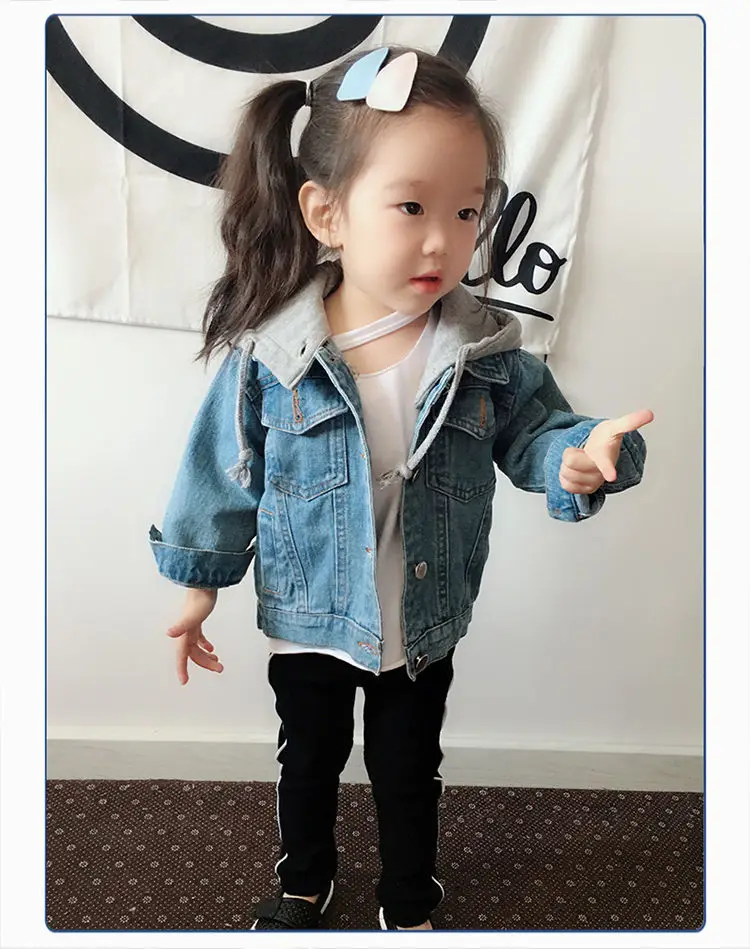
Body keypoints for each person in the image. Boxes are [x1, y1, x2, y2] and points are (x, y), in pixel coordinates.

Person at [149, 46, 653, 932]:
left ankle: (409, 896)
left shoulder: (485, 350)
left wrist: (577, 458)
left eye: (467, 211)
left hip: (420, 621)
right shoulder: (274, 354)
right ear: (326, 212)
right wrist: (198, 587)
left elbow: (538, 435)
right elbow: (223, 470)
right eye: (412, 206)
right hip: (310, 613)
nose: (442, 239)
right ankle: (304, 882)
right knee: (307, 759)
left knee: (408, 766)